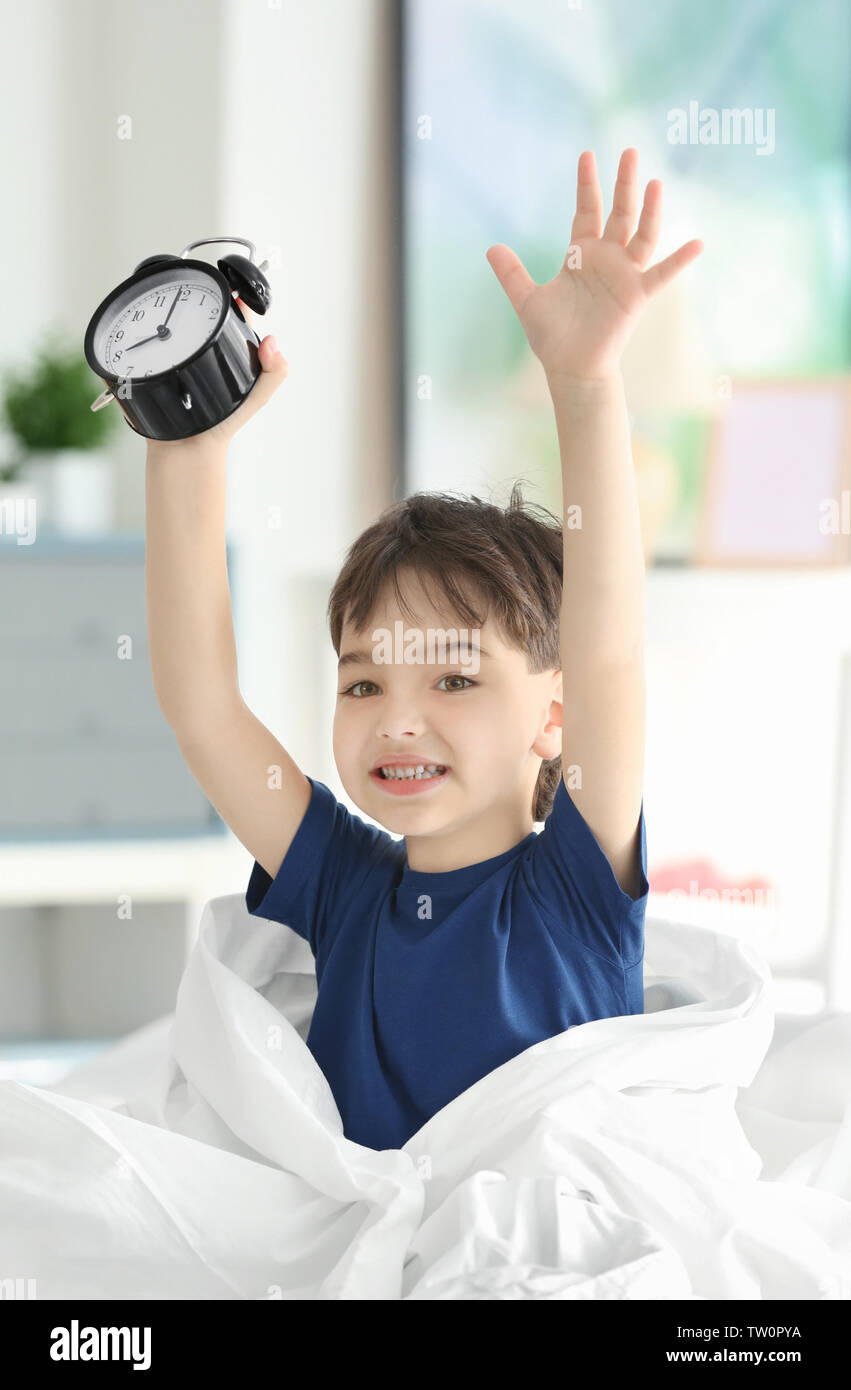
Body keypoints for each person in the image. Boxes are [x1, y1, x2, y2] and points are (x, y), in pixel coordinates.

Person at [145, 149, 703, 1150]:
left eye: (452, 675)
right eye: (362, 680)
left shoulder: (573, 885)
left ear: (554, 714)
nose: (395, 716)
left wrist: (584, 386)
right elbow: (202, 706)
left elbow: (609, 648)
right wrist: (189, 458)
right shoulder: (344, 885)